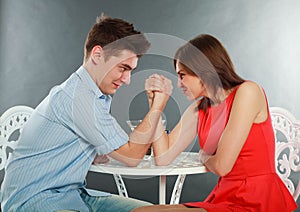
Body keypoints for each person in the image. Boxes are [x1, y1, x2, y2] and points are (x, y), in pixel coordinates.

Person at [0, 14, 171, 212]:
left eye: (131, 71)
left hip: (72, 194)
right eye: (123, 68)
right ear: (97, 55)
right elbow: (131, 156)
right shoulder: (79, 98)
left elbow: (114, 150)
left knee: (154, 210)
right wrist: (157, 106)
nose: (127, 80)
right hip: (35, 200)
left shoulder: (97, 95)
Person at [134, 34, 298, 211]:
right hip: (225, 196)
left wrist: (204, 156)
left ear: (203, 71)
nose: (179, 83)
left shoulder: (248, 91)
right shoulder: (200, 108)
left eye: (182, 75)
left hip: (256, 200)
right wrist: (156, 106)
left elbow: (222, 166)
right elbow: (163, 158)